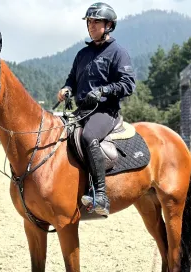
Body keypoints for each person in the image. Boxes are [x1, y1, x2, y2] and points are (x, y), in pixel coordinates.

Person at [57, 2, 136, 216]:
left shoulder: (118, 53)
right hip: (82, 110)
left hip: (105, 112)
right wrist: (66, 89)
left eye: (95, 22)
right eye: (89, 22)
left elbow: (128, 84)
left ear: (109, 25)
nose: (91, 26)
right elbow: (72, 79)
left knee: (88, 136)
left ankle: (100, 195)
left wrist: (102, 92)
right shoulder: (82, 54)